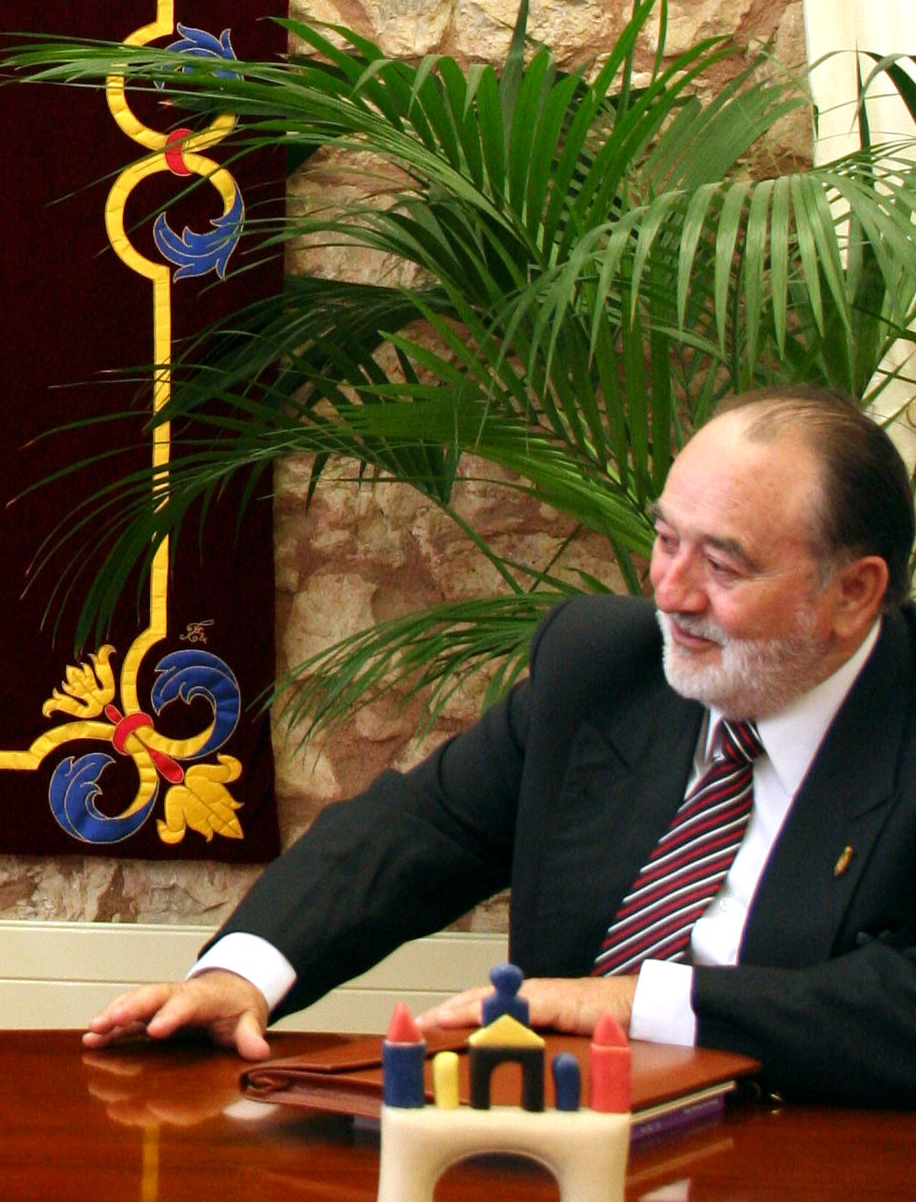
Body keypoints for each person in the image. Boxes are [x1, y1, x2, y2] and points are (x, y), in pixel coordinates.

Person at [84, 386, 916, 1107]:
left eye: (723, 567)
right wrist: (243, 975)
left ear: (853, 593)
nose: (669, 591)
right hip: (549, 1158)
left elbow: (896, 1007)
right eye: (667, 541)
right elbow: (424, 828)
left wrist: (640, 1005)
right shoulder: (604, 666)